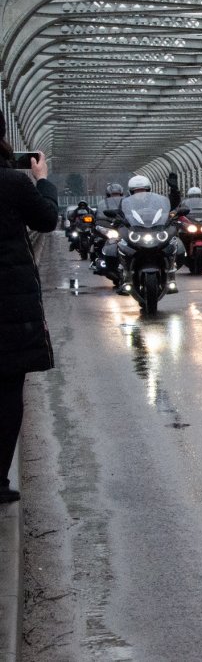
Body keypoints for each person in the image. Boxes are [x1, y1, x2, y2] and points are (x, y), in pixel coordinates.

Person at [0, 136, 59, 503]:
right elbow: (48, 219)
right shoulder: (13, 182)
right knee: (7, 392)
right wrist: (43, 180)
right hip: (9, 303)